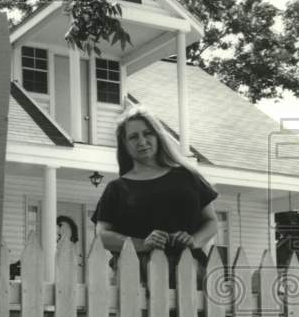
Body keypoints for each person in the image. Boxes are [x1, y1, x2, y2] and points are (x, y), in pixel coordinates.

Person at [91, 105, 218, 269]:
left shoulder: (188, 177)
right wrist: (143, 243)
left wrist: (194, 241)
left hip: (191, 269)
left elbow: (211, 221)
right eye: (133, 137)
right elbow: (102, 235)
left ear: (158, 136)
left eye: (147, 133)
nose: (142, 141)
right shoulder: (117, 188)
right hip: (137, 273)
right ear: (124, 144)